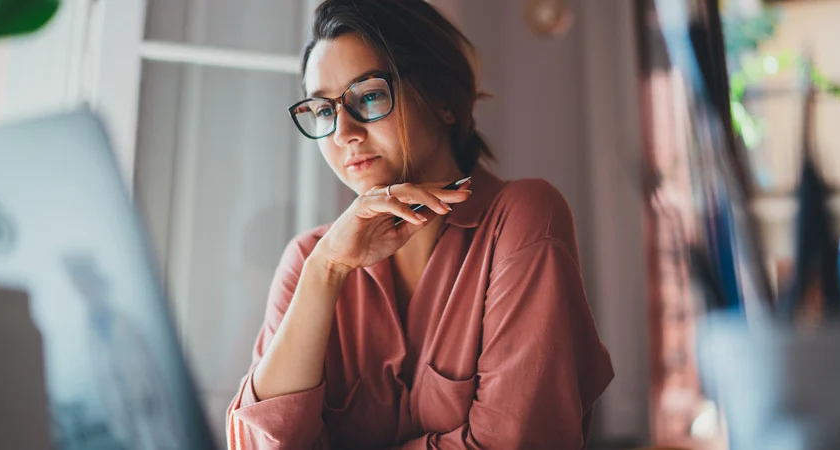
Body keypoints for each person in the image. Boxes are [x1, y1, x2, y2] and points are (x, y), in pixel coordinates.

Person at [224, 1, 614, 448]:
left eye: (368, 95)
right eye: (324, 111)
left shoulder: (521, 219)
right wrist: (325, 272)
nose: (343, 132)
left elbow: (514, 442)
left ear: (444, 100)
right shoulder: (309, 261)